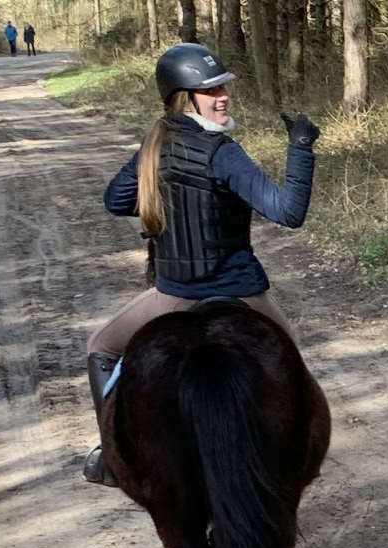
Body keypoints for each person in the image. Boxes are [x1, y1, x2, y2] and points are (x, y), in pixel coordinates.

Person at [81, 42, 319, 486]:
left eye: (223, 85)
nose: (223, 95)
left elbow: (115, 200)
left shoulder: (153, 145)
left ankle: (112, 458)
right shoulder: (223, 152)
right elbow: (289, 212)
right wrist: (301, 147)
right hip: (241, 293)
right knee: (291, 363)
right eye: (210, 90)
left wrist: (172, 202)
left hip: (173, 295)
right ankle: (301, 450)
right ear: (183, 97)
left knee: (101, 348)